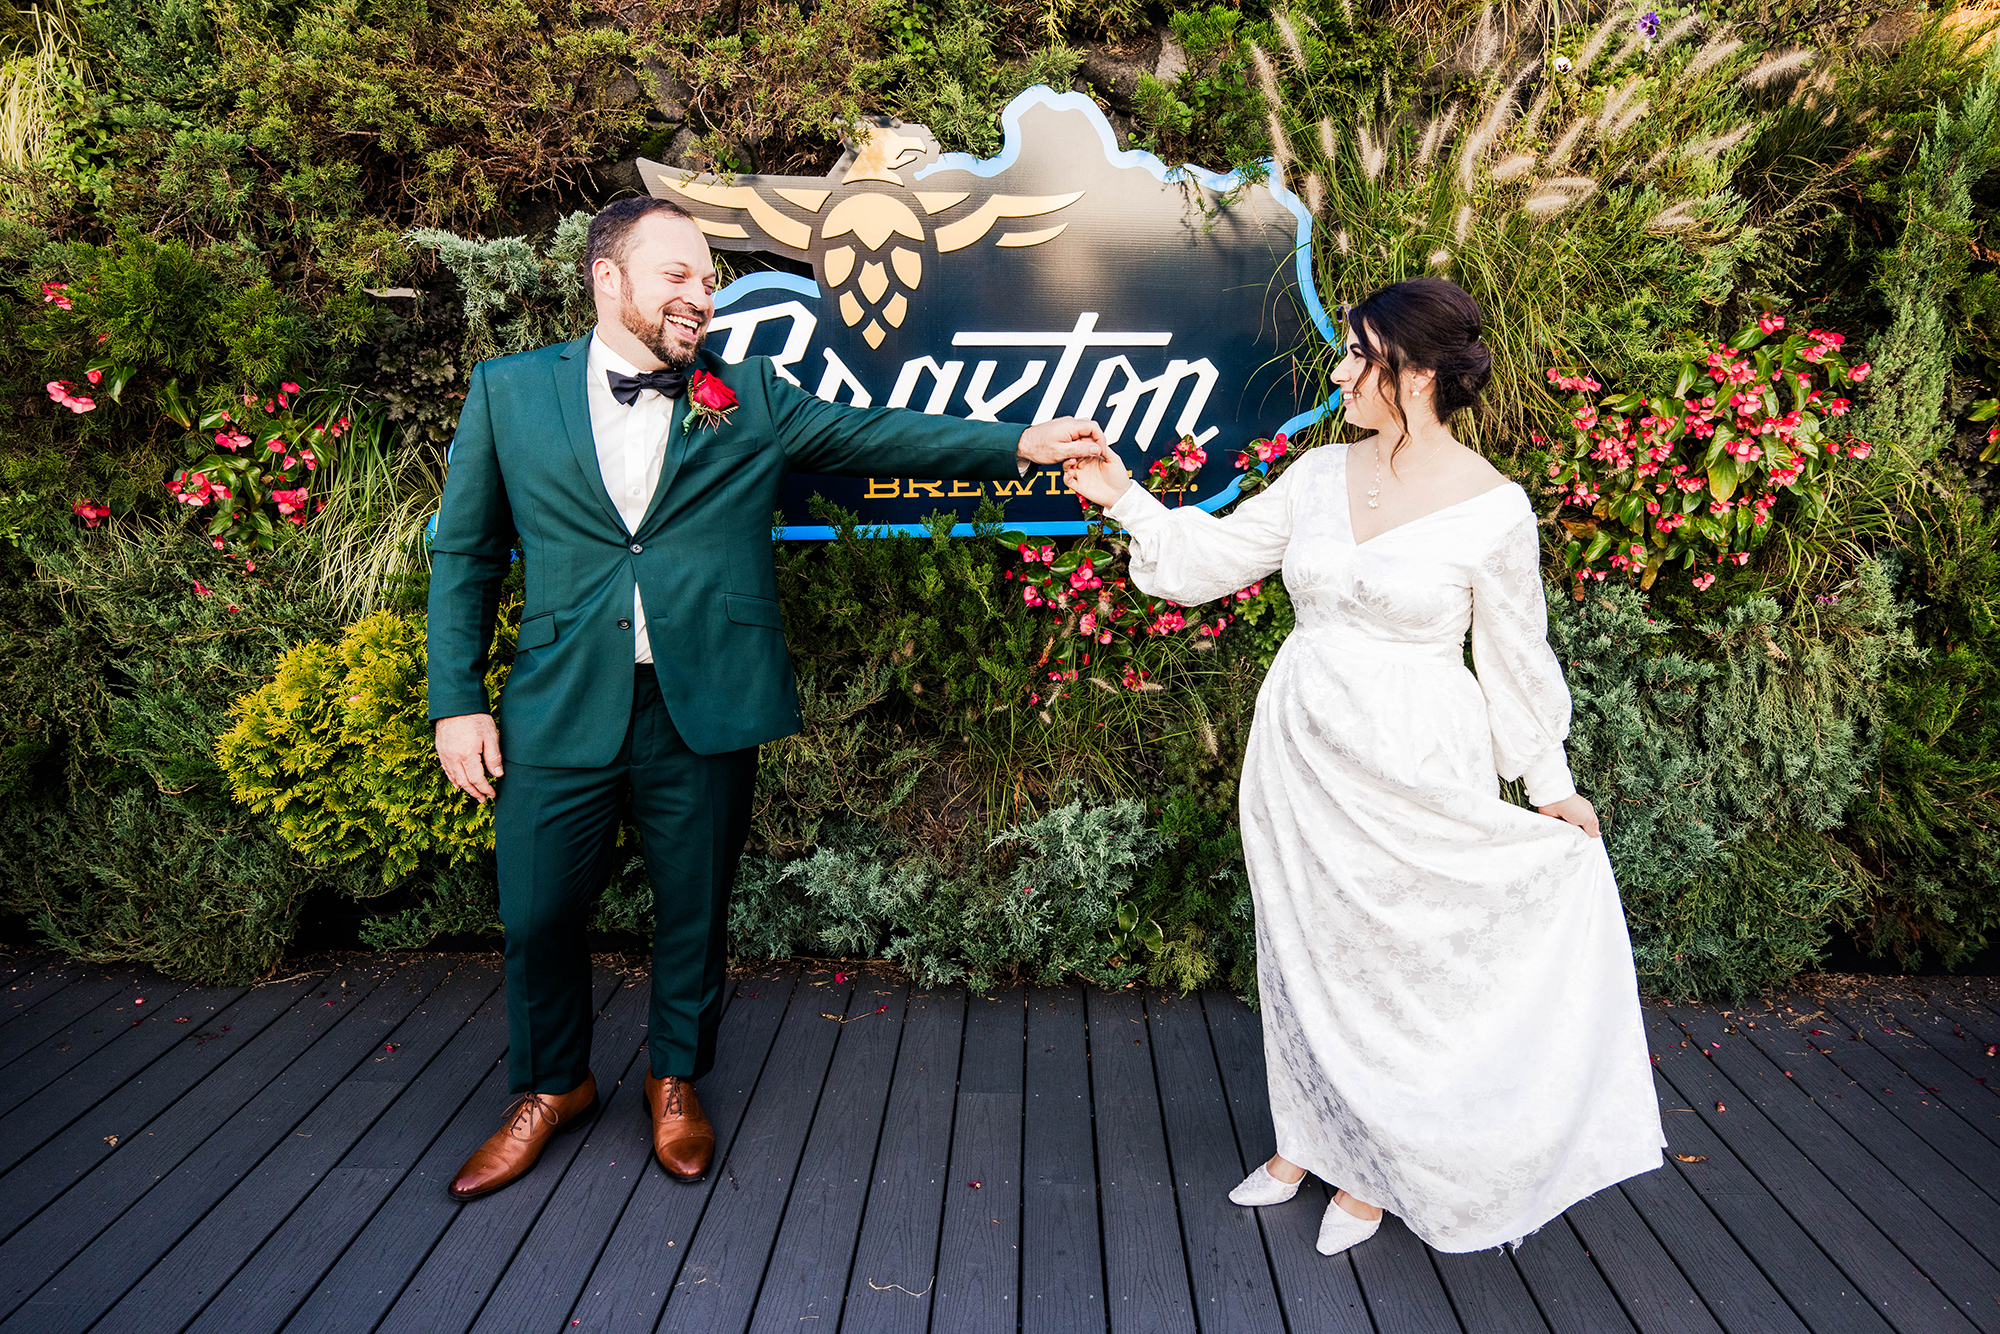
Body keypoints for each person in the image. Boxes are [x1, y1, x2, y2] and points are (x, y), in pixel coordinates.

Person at [428, 196, 1107, 1201]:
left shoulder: (744, 391)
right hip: (557, 699)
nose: (700, 295)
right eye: (678, 275)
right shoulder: (507, 392)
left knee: (693, 909)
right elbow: (467, 550)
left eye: (708, 279)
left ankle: (673, 1079)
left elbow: (875, 435)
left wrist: (1017, 444)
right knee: (535, 913)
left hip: (702, 702)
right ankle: (551, 1085)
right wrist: (457, 700)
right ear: (607, 278)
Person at [1062, 277, 1664, 1256]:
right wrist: (1124, 497)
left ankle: (1377, 1164)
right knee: (1302, 948)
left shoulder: (1492, 509)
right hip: (1300, 748)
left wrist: (1547, 785)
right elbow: (1208, 558)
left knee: (1394, 964)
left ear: (1414, 374)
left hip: (1417, 759)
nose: (1338, 369)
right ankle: (1305, 1135)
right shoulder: (1313, 478)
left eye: (1357, 354)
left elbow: (1515, 655)